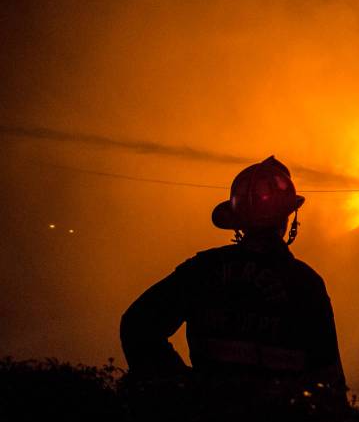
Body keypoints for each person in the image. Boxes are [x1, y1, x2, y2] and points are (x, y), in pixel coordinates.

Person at [120, 155, 345, 389]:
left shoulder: (202, 270)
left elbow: (137, 326)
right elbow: (329, 378)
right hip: (278, 421)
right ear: (288, 219)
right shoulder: (305, 284)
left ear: (238, 222)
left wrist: (183, 387)